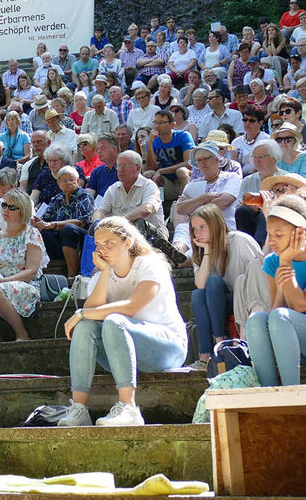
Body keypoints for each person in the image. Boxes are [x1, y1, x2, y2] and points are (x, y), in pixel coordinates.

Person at [59, 216, 187, 427]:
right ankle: (79, 409)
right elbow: (90, 314)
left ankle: (129, 408)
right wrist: (106, 273)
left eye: (109, 243)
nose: (102, 249)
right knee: (86, 327)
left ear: (128, 242)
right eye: (98, 244)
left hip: (168, 347)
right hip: (123, 350)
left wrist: (82, 313)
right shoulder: (101, 275)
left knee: (114, 320)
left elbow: (131, 307)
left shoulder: (150, 264)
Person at [188, 204, 262, 370]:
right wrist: (207, 251)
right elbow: (200, 285)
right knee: (197, 295)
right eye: (194, 229)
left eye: (202, 227)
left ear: (215, 225)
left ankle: (220, 342)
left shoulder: (240, 240)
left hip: (245, 299)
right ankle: (205, 355)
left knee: (214, 282)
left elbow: (260, 272)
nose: (197, 233)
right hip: (219, 302)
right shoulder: (200, 252)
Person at [0, 191, 47, 342]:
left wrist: (2, 281)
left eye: (12, 207)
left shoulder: (31, 234)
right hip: (0, 283)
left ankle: (21, 334)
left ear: (23, 211)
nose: (5, 210)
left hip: (26, 284)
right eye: (4, 205)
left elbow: (32, 271)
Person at [246, 196, 306, 387]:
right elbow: (275, 311)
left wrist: (286, 261)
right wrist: (281, 290)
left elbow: (299, 305)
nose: (271, 241)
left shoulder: (282, 259)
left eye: (278, 235)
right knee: (256, 319)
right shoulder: (272, 261)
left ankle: (291, 393)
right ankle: (268, 393)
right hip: (291, 339)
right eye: (269, 234)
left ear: (300, 233)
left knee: (281, 317)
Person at [33, 165, 93, 276]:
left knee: (68, 229)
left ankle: (72, 275)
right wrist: (38, 222)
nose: (69, 182)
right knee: (39, 231)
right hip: (58, 240)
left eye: (72, 180)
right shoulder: (57, 199)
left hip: (78, 239)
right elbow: (46, 218)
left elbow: (82, 221)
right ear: (59, 184)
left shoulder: (84, 196)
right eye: (65, 180)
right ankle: (42, 273)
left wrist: (54, 224)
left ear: (78, 181)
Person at [95, 151, 168, 241]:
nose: (120, 169)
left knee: (138, 223)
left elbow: (147, 209)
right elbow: (102, 211)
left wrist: (121, 222)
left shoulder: (149, 186)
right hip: (121, 232)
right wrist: (97, 222)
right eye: (118, 166)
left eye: (125, 166)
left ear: (137, 168)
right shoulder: (113, 189)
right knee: (96, 227)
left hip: (154, 236)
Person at [144, 110, 193, 201]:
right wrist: (150, 144)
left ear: (172, 125)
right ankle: (160, 206)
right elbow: (150, 167)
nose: (158, 126)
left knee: (181, 171)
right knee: (148, 174)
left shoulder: (183, 136)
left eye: (162, 122)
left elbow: (189, 163)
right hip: (167, 181)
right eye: (156, 123)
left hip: (184, 179)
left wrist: (162, 171)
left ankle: (182, 206)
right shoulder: (153, 141)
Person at [86, 133, 120, 200]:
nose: (99, 152)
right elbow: (91, 191)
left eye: (102, 148)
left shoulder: (125, 169)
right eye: (97, 149)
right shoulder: (96, 171)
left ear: (115, 149)